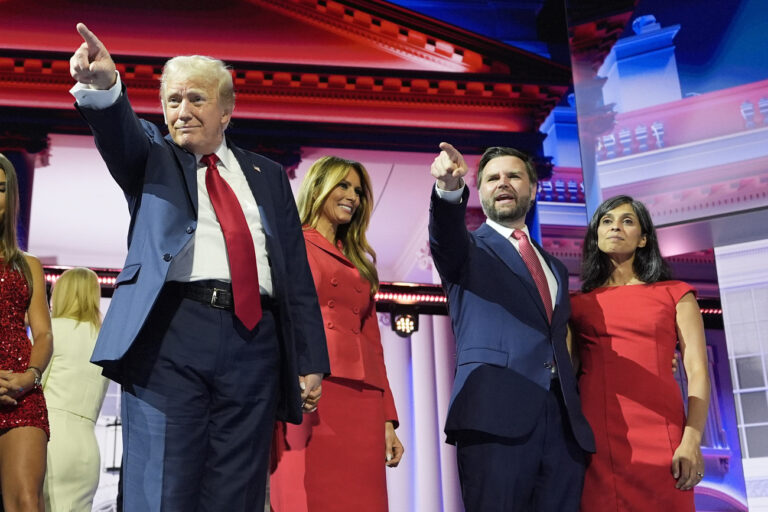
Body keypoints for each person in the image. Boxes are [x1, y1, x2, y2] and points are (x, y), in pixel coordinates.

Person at [68, 23, 329, 511]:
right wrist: (104, 88)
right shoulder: (153, 158)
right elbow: (120, 133)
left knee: (238, 486)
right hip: (171, 331)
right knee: (163, 482)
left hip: (255, 341)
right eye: (171, 101)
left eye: (195, 99)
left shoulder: (267, 176)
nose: (181, 112)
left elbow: (293, 270)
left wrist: (310, 359)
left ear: (226, 110)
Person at [428, 142, 594, 511]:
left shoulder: (556, 268)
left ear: (533, 189)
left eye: (513, 176)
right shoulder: (468, 251)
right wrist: (449, 189)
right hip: (494, 418)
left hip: (563, 426)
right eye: (492, 178)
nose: (503, 183)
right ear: (481, 190)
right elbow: (445, 234)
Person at [270, 156, 403, 511]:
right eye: (343, 185)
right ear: (318, 187)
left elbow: (373, 347)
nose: (353, 196)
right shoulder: (289, 242)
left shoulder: (359, 262)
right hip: (309, 390)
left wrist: (388, 420)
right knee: (304, 497)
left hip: (362, 400)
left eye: (358, 190)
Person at [569, 195, 710, 511]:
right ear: (595, 236)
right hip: (598, 440)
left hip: (664, 437)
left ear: (644, 238)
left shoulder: (676, 294)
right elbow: (568, 369)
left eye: (627, 221)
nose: (615, 226)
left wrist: (691, 439)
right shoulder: (576, 304)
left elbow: (698, 371)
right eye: (606, 221)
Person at [0, 153, 53, 512]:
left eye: (1, 189)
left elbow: (45, 335)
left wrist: (28, 378)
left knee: (25, 502)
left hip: (21, 392)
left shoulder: (27, 264)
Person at [41, 267, 109, 511]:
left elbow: (32, 387)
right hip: (87, 447)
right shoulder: (104, 341)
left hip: (49, 440)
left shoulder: (51, 331)